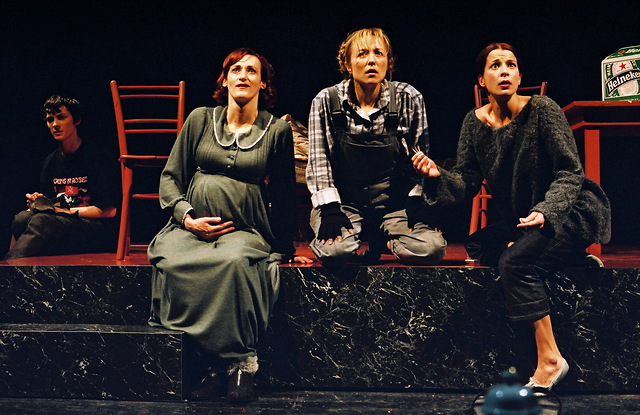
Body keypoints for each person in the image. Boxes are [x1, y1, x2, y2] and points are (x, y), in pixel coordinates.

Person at [412, 43, 611, 390]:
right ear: (481, 79)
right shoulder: (473, 123)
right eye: (495, 65)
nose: (504, 71)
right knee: (479, 244)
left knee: (515, 263)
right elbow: (466, 181)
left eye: (511, 65)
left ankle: (550, 359)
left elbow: (570, 172)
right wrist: (438, 175)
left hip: (570, 210)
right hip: (526, 218)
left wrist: (547, 211)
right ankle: (571, 259)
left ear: (519, 76)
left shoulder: (543, 110)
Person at [147, 48, 312, 402]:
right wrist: (187, 217)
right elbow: (171, 177)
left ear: (263, 83)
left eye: (252, 70)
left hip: (245, 228)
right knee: (173, 262)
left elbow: (283, 192)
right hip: (191, 228)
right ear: (224, 80)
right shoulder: (199, 119)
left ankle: (240, 365)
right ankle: (212, 365)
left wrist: (285, 247)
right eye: (235, 69)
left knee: (235, 264)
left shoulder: (276, 129)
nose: (243, 75)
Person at [306, 27, 447, 266]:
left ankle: (386, 238)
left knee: (430, 248)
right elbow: (319, 160)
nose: (371, 60)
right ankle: (355, 236)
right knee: (335, 252)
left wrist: (416, 199)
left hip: (394, 205)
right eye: (362, 54)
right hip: (344, 204)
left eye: (378, 53)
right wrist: (329, 208)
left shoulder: (408, 98)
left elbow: (419, 157)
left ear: (388, 62)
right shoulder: (326, 101)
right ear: (347, 64)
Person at [5, 95, 118, 260]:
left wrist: (62, 211)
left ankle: (7, 270)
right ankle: (11, 266)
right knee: (21, 218)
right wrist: (39, 202)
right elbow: (51, 206)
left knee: (41, 221)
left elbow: (109, 211)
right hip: (63, 224)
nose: (55, 125)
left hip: (96, 228)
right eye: (50, 120)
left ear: (76, 120)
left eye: (61, 117)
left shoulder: (98, 158)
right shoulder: (50, 162)